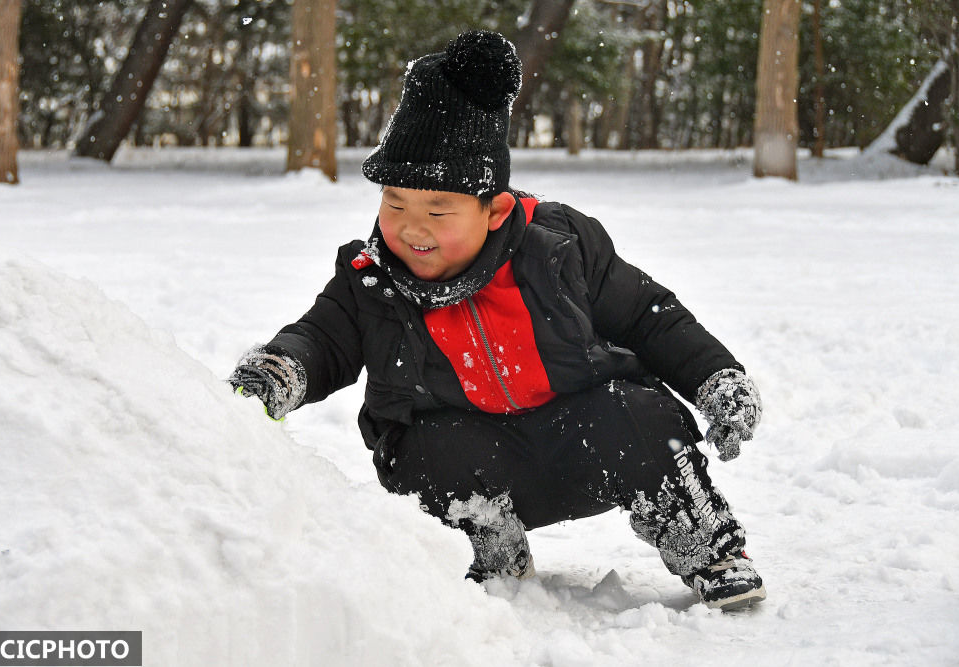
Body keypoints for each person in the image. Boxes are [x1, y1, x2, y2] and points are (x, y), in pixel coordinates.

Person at [229, 30, 765, 610]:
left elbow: (648, 316)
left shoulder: (557, 246)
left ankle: (709, 548)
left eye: (438, 210)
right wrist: (279, 371)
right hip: (471, 461)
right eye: (395, 204)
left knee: (641, 417)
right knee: (421, 453)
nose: (412, 228)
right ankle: (491, 554)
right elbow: (322, 337)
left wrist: (716, 378)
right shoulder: (372, 279)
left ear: (496, 211)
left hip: (579, 437)